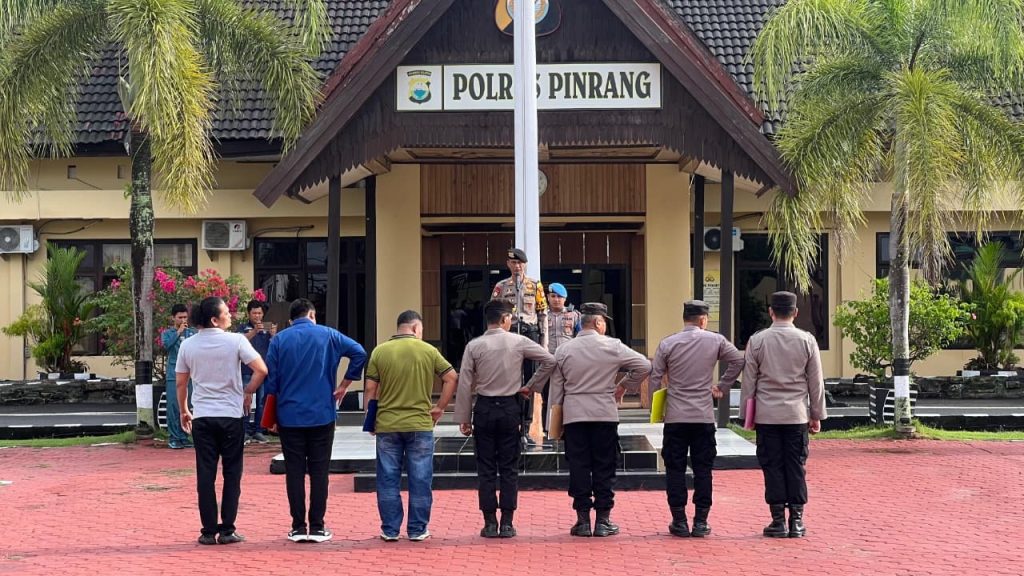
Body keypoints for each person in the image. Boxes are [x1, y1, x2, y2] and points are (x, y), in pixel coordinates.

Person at [264, 298, 367, 543]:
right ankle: (318, 526)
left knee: (295, 472)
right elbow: (359, 353)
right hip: (322, 413)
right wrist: (344, 384)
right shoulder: (329, 335)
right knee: (320, 472)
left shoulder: (279, 340)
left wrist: (271, 415)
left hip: (289, 416)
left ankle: (298, 526)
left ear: (291, 319)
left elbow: (272, 381)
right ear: (311, 314)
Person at [455, 299, 556, 538]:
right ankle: (508, 522)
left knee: (486, 468)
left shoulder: (474, 345)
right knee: (509, 468)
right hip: (510, 408)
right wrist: (531, 387)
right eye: (510, 317)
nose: (511, 320)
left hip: (484, 409)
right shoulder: (518, 341)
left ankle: (490, 523)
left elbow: (465, 382)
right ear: (503, 319)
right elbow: (549, 361)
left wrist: (464, 417)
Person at [548, 302, 651, 537]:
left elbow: (556, 390)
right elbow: (644, 366)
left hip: (574, 415)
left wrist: (554, 424)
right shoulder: (612, 346)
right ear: (598, 322)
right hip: (604, 413)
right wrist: (623, 386)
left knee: (579, 466)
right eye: (604, 322)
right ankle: (603, 520)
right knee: (605, 466)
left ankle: (583, 520)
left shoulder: (564, 350)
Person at [649, 300, 744, 538]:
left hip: (675, 417)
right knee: (703, 469)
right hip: (702, 417)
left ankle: (679, 520)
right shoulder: (716, 340)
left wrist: (657, 406)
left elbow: (654, 377)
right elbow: (739, 360)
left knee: (674, 468)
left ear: (684, 319)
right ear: (703, 320)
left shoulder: (668, 343)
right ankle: (701, 521)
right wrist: (722, 385)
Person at [176, 296, 267, 545]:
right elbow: (262, 370)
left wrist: (185, 409)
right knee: (232, 473)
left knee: (205, 474)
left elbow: (181, 382)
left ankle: (207, 531)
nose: (231, 315)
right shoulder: (236, 341)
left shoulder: (188, 345)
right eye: (226, 312)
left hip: (203, 416)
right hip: (231, 415)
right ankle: (227, 529)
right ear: (215, 319)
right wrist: (247, 392)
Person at [739, 291, 827, 539]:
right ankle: (797, 521)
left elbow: (749, 382)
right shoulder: (807, 340)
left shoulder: (757, 341)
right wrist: (816, 414)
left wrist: (748, 415)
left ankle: (778, 520)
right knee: (796, 465)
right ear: (795, 313)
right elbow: (815, 382)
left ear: (771, 312)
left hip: (767, 415)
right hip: (796, 414)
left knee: (772, 466)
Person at [364, 310, 458, 542]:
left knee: (387, 478)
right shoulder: (428, 350)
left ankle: (390, 529)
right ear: (416, 328)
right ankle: (417, 529)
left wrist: (371, 419)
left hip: (387, 424)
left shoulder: (380, 351)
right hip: (420, 424)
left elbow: (370, 390)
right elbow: (451, 377)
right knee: (420, 478)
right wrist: (440, 407)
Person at [491, 248, 548, 443]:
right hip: (508, 334)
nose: (517, 266)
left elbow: (542, 314)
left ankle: (526, 425)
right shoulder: (501, 286)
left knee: (529, 380)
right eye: (513, 263)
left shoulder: (535, 285)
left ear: (525, 264)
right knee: (509, 379)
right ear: (508, 264)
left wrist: (544, 344)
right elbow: (494, 314)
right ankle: (511, 423)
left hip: (530, 333)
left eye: (520, 263)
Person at [543, 282, 580, 435]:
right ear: (547, 297)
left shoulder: (575, 315)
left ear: (565, 298)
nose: (556, 299)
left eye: (559, 297)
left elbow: (581, 338)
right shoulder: (542, 315)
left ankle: (568, 427)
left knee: (569, 395)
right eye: (553, 296)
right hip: (547, 362)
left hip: (568, 363)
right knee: (547, 396)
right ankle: (549, 429)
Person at [237, 300, 276, 444]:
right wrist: (254, 332)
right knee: (245, 401)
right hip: (247, 370)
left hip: (263, 371)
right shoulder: (242, 328)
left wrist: (273, 335)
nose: (257, 316)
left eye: (259, 313)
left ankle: (259, 430)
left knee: (261, 402)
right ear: (249, 313)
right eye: (254, 313)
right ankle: (245, 431)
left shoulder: (267, 329)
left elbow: (275, 346)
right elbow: (239, 341)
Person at [161, 304, 197, 449]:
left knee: (187, 407)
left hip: (190, 374)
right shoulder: (168, 333)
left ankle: (184, 436)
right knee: (174, 406)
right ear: (173, 318)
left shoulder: (192, 333)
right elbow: (166, 347)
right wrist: (178, 333)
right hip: (173, 374)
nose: (183, 320)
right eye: (180, 317)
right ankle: (174, 437)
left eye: (185, 317)